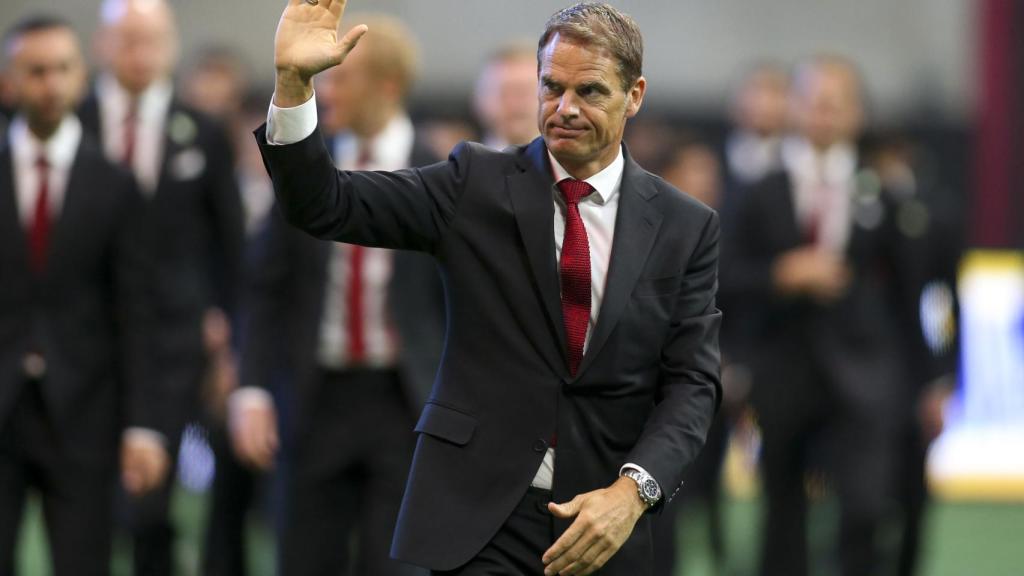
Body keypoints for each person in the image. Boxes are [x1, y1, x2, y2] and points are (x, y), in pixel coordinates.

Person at [257, 1, 722, 574]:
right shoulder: (473, 184)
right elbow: (322, 205)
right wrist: (292, 84)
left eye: (591, 92)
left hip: (604, 523)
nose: (565, 108)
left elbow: (692, 383)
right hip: (477, 522)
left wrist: (632, 493)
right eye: (551, 87)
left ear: (635, 95)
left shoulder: (686, 226)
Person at [231, 14, 445, 575]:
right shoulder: (307, 168)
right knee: (301, 558)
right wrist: (250, 387)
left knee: (398, 565)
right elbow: (265, 285)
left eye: (342, 79)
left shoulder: (442, 171)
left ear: (388, 85)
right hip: (312, 395)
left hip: (405, 401)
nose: (328, 92)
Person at [722, 55, 938, 576]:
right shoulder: (757, 188)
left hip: (865, 374)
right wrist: (781, 274)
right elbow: (722, 276)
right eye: (813, 100)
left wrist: (931, 380)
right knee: (782, 510)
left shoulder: (884, 192)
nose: (823, 112)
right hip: (781, 370)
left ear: (857, 114)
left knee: (865, 507)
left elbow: (912, 295)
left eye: (835, 102)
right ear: (793, 107)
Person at [78, 1, 245, 573]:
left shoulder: (201, 131)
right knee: (85, 503)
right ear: (101, 44)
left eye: (151, 39)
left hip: (175, 346)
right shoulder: (72, 121)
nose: (139, 52)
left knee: (153, 503)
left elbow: (230, 245)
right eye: (126, 39)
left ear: (170, 45)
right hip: (81, 343)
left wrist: (228, 335)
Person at [0, 15, 165, 575]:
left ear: (80, 74)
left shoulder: (114, 184)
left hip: (85, 415)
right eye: (36, 70)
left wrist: (143, 423)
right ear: (9, 81)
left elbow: (136, 311)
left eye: (63, 69)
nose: (51, 84)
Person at [473, 41, 541, 149]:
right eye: (504, 93)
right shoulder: (460, 163)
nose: (515, 105)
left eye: (524, 93)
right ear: (480, 100)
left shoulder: (572, 164)